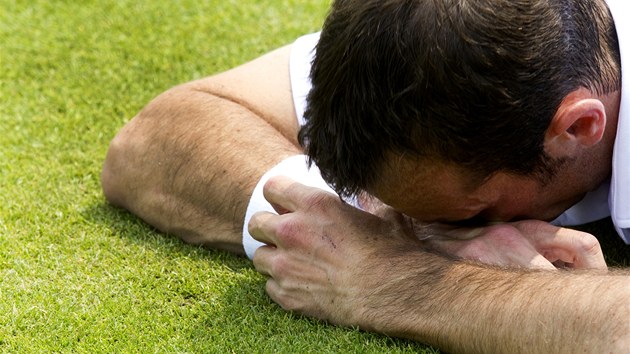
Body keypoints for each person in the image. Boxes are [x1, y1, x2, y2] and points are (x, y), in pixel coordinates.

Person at [101, 0, 630, 351]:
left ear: (578, 126)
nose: (454, 233)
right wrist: (359, 219)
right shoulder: (452, 27)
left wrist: (390, 279)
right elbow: (153, 138)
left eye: (470, 214)